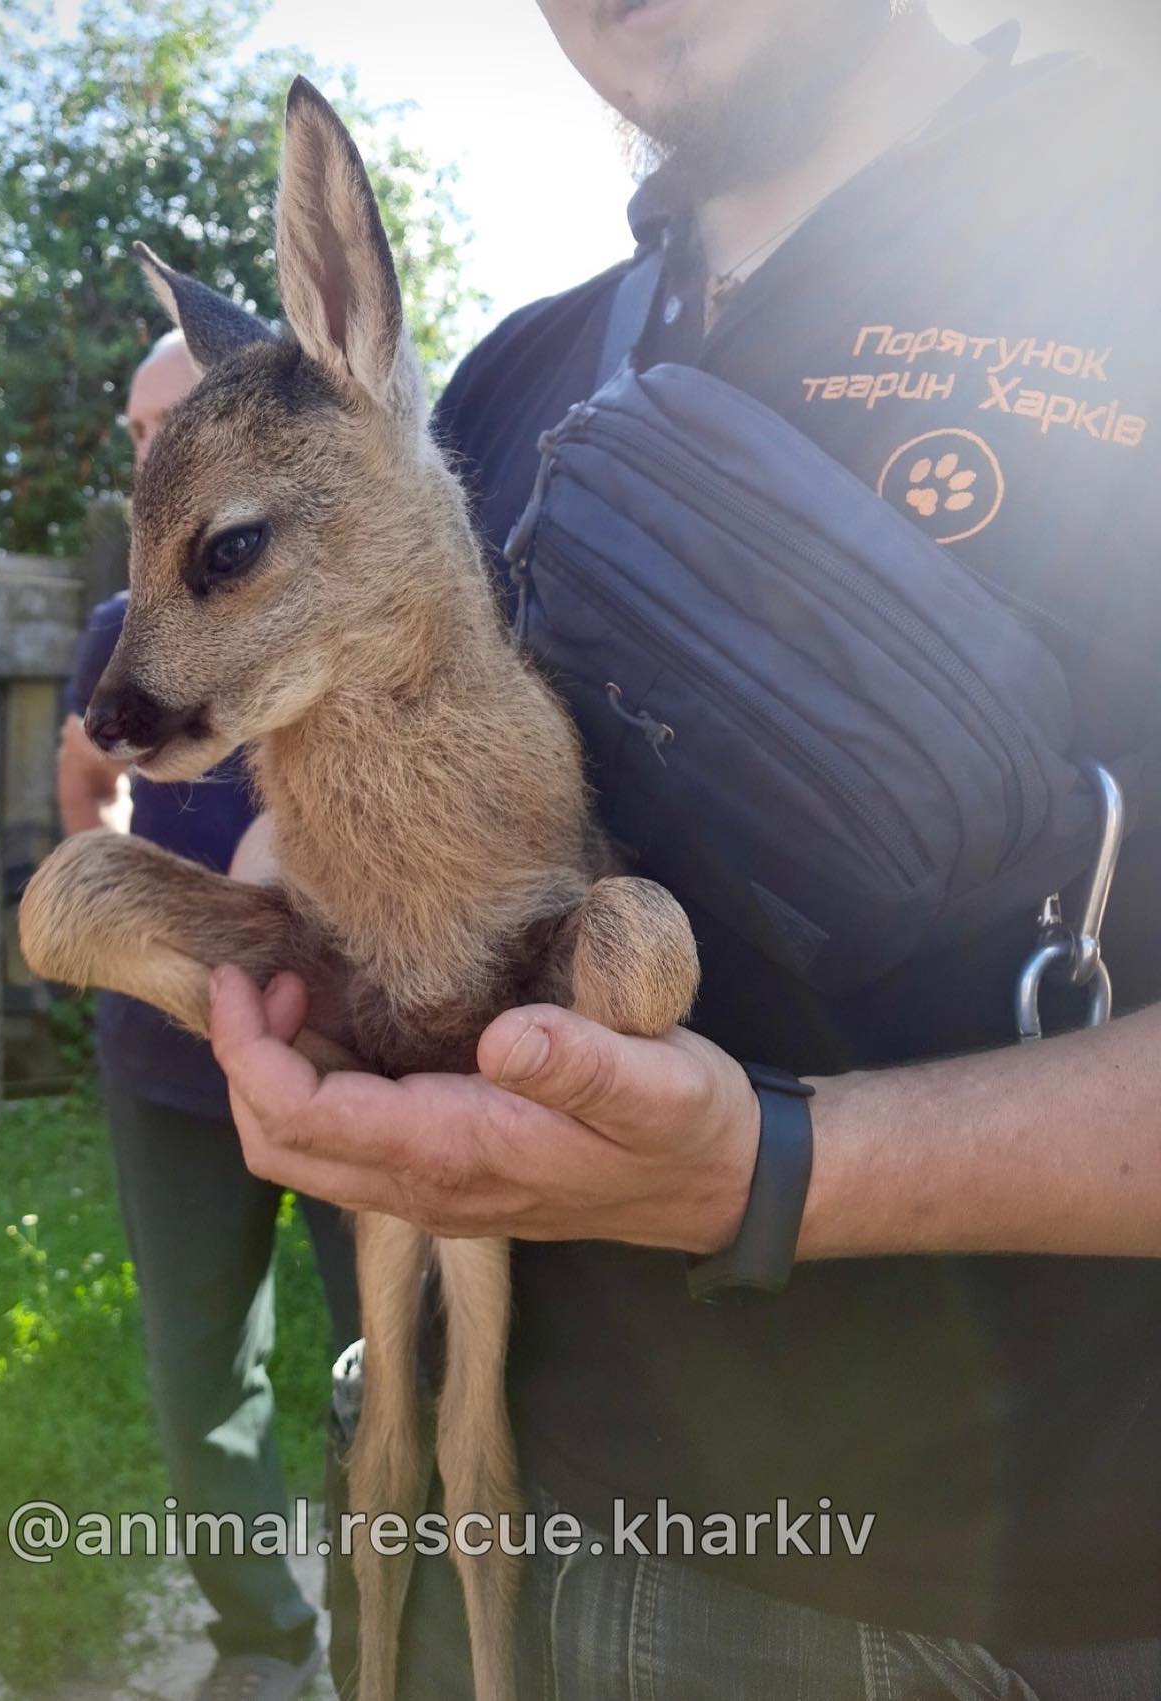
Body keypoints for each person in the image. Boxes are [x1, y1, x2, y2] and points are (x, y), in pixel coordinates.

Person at [205, 5, 1161, 1697]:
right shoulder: (499, 377)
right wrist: (297, 934)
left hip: (939, 1601)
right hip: (461, 1532)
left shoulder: (1120, 235)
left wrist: (779, 1170)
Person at [57, 329, 359, 1701]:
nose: (146, 453)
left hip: (349, 1046)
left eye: (170, 422)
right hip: (170, 1060)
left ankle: (388, 1629)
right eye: (134, 432)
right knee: (199, 1361)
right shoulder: (120, 631)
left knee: (389, 1360)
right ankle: (262, 1640)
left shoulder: (345, 597)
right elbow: (86, 789)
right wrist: (145, 927)